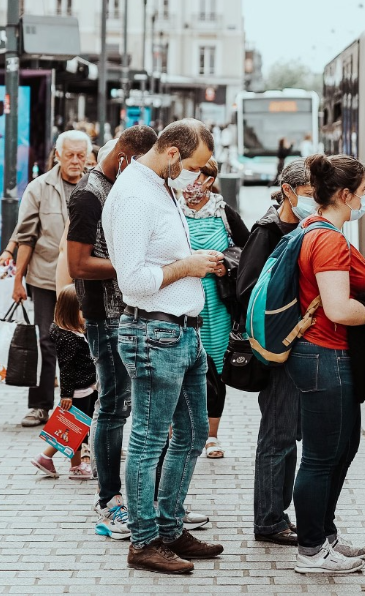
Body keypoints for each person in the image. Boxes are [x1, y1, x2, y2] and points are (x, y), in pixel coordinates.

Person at [103, 119, 225, 574]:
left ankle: (170, 527)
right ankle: (144, 541)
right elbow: (132, 280)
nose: (197, 176)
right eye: (194, 166)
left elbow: (161, 256)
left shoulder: (159, 186)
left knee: (192, 435)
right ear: (172, 152)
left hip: (182, 330)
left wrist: (195, 264)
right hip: (155, 332)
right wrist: (188, 266)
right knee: (149, 440)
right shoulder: (135, 195)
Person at [66, 126, 158, 540]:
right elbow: (79, 265)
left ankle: (140, 501)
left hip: (129, 311)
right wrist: (132, 264)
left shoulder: (116, 185)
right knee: (112, 405)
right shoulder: (89, 195)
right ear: (126, 156)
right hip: (105, 316)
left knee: (124, 404)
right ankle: (108, 501)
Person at [287, 153, 365, 574]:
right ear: (343, 194)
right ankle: (311, 550)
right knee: (322, 457)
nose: (364, 198)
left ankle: (325, 535)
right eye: (361, 192)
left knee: (342, 448)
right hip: (325, 355)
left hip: (323, 356)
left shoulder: (313, 227)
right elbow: (338, 309)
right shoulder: (329, 240)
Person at [239, 159, 315, 546]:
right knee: (277, 434)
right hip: (279, 351)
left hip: (298, 347)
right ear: (288, 191)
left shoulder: (304, 228)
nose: (314, 201)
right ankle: (269, 520)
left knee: (288, 436)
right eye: (309, 194)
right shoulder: (268, 231)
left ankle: (278, 514)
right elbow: (247, 291)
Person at [0, 130, 92, 428]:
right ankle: (39, 406)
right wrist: (18, 281)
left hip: (82, 279)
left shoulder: (96, 186)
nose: (76, 161)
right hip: (43, 277)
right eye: (70, 155)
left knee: (84, 342)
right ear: (57, 155)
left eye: (81, 155)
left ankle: (81, 407)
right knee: (46, 341)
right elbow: (26, 236)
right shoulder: (39, 188)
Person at [178, 158, 249, 459]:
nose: (189, 183)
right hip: (180, 298)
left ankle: (211, 435)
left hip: (217, 304)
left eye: (195, 176)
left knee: (215, 367)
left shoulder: (223, 213)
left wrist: (225, 267)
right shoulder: (170, 210)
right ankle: (177, 429)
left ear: (209, 180)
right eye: (185, 175)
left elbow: (248, 253)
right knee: (179, 366)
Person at [30, 285, 98, 479]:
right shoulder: (68, 338)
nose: (87, 314)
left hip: (85, 388)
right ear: (70, 311)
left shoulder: (76, 331)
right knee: (74, 429)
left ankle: (63, 462)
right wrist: (66, 394)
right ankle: (54, 459)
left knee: (75, 428)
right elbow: (66, 368)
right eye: (83, 310)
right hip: (77, 391)